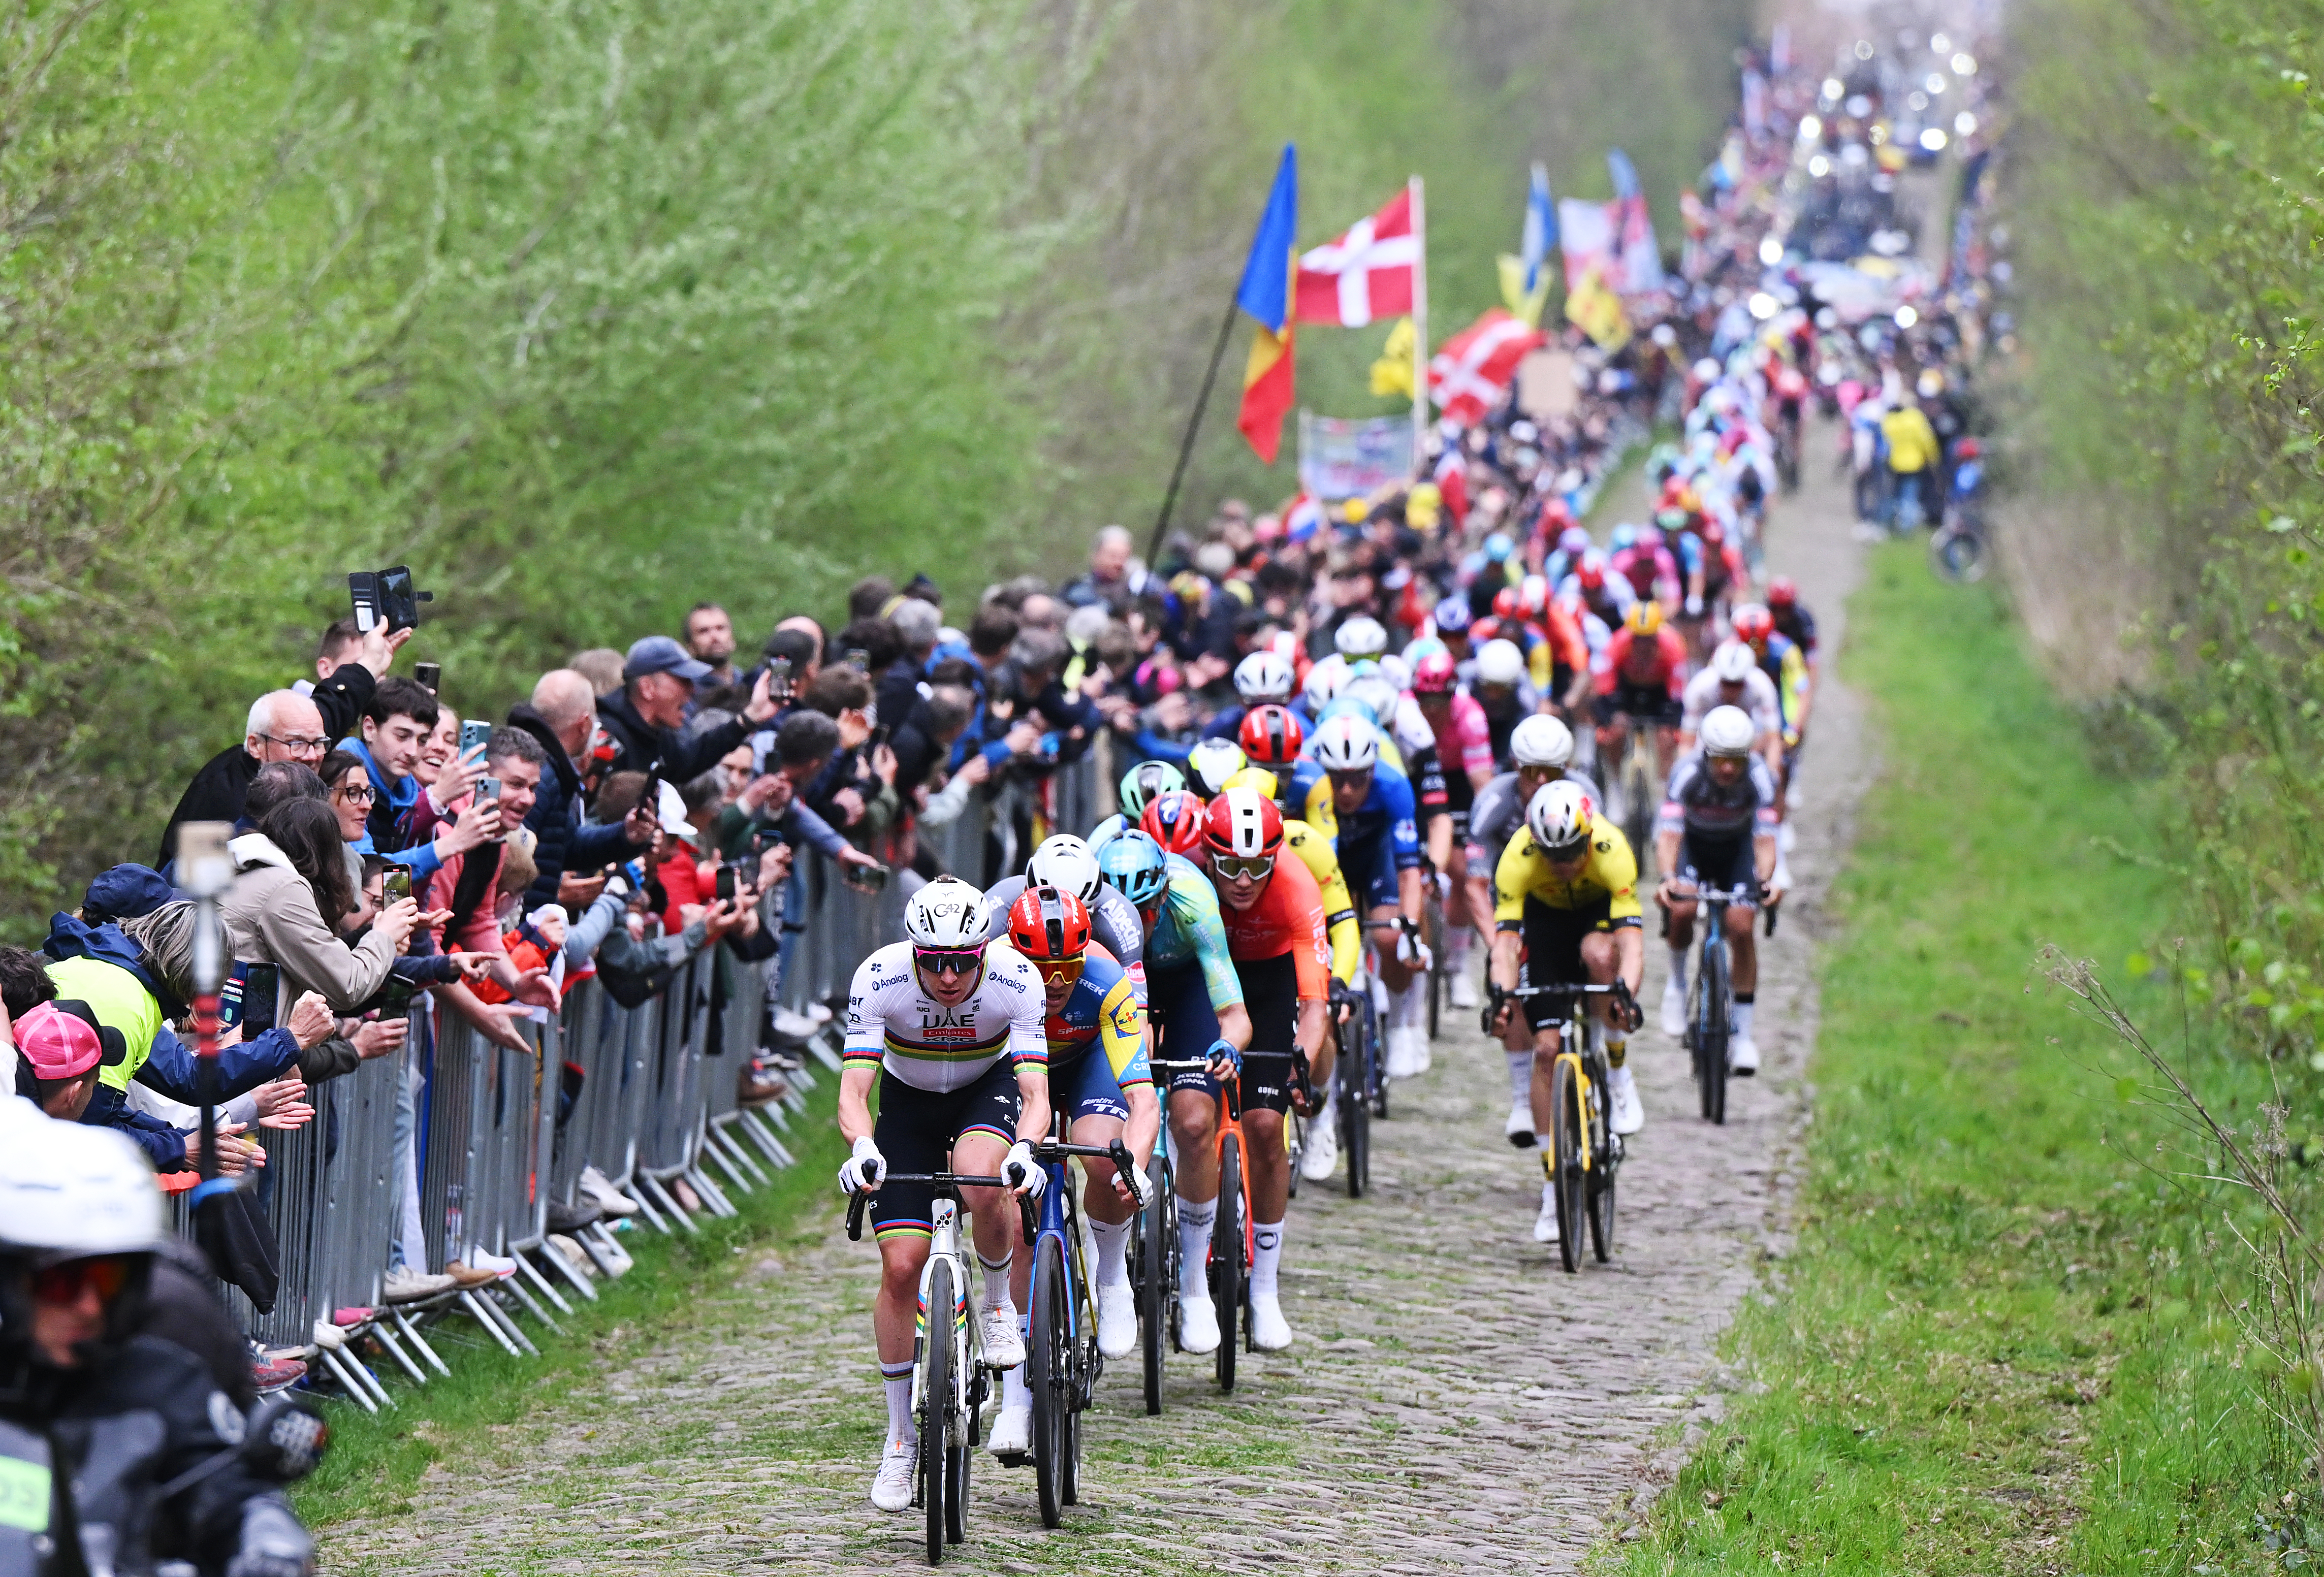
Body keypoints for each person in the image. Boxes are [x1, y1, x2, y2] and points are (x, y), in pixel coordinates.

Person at [0, 1102, 316, 1577]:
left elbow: (228, 1488)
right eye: (62, 1283)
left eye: (109, 1281)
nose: (89, 1307)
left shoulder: (160, 1379)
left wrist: (267, 1542)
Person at [834, 876, 1049, 1514]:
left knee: (983, 1177)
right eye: (934, 962)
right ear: (913, 951)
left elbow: (1036, 1094)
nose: (950, 977)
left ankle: (996, 1304)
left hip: (985, 1091)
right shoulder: (879, 977)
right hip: (908, 1105)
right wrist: (862, 1147)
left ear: (984, 950)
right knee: (902, 1267)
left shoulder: (1017, 978)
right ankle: (901, 1439)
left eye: (963, 961)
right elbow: (854, 1091)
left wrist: (1025, 1147)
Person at [982, 886, 1156, 1454]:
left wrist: (1135, 1167)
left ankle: (1111, 1272)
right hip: (1016, 1071)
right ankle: (1014, 1401)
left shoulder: (1106, 981)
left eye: (1068, 967)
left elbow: (1144, 1100)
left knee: (1103, 1154)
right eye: (1042, 967)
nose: (1056, 983)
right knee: (1017, 1215)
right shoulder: (993, 975)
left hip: (1086, 1064)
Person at [1095, 828, 1249, 1354]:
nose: (1134, 922)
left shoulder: (1195, 903)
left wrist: (1227, 1046)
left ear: (1164, 896)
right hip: (1114, 987)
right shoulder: (1090, 908)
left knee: (1194, 1122)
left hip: (1184, 987)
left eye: (1145, 909)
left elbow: (1235, 1013)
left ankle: (1195, 1281)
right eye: (1122, 909)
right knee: (1106, 1121)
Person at [1192, 788, 1331, 1350]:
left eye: (1257, 867)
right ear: (1207, 856)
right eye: (1229, 867)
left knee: (1267, 1127)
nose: (1244, 881)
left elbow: (1315, 1004)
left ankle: (1266, 1288)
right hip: (1203, 983)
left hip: (1270, 982)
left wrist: (1300, 1064)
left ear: (1276, 858)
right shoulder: (1190, 879)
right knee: (1193, 1115)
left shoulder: (1297, 885)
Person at [1489, 781, 1646, 1243]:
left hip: (1595, 917)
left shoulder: (1612, 849)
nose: (1563, 864)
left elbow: (1631, 945)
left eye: (1573, 852)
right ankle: (1550, 1188)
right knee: (1546, 1051)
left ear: (1588, 836)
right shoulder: (1517, 858)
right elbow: (1505, 945)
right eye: (1552, 855)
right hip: (1544, 927)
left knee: (1600, 957)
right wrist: (1502, 998)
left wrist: (1626, 996)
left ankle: (1615, 1071)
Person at [1293, 715, 1428, 1076]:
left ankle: (1398, 1025)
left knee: (1389, 936)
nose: (1347, 791)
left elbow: (1408, 871)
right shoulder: (1305, 785)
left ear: (1373, 771)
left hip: (1374, 859)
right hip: (1325, 863)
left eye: (1358, 779)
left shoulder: (1393, 785)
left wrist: (1410, 931)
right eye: (1337, 779)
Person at [1656, 705, 1782, 1073]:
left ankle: (1743, 1036)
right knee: (1681, 908)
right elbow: (1669, 834)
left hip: (1736, 850)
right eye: (1720, 760)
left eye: (1736, 760)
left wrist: (1765, 880)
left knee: (1741, 927)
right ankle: (1677, 985)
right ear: (1706, 754)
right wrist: (1667, 877)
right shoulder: (1687, 771)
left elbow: (1765, 839)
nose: (1728, 769)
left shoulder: (1759, 776)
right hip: (1694, 847)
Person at [155, 691, 331, 867]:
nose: (312, 756)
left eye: (318, 743)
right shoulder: (226, 799)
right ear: (255, 745)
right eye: (296, 743)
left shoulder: (282, 782)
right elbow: (198, 878)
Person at [595, 635, 783, 782]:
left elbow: (692, 759)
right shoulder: (608, 735)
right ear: (647, 688)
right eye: (683, 680)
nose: (692, 690)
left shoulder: (656, 735)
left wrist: (751, 717)